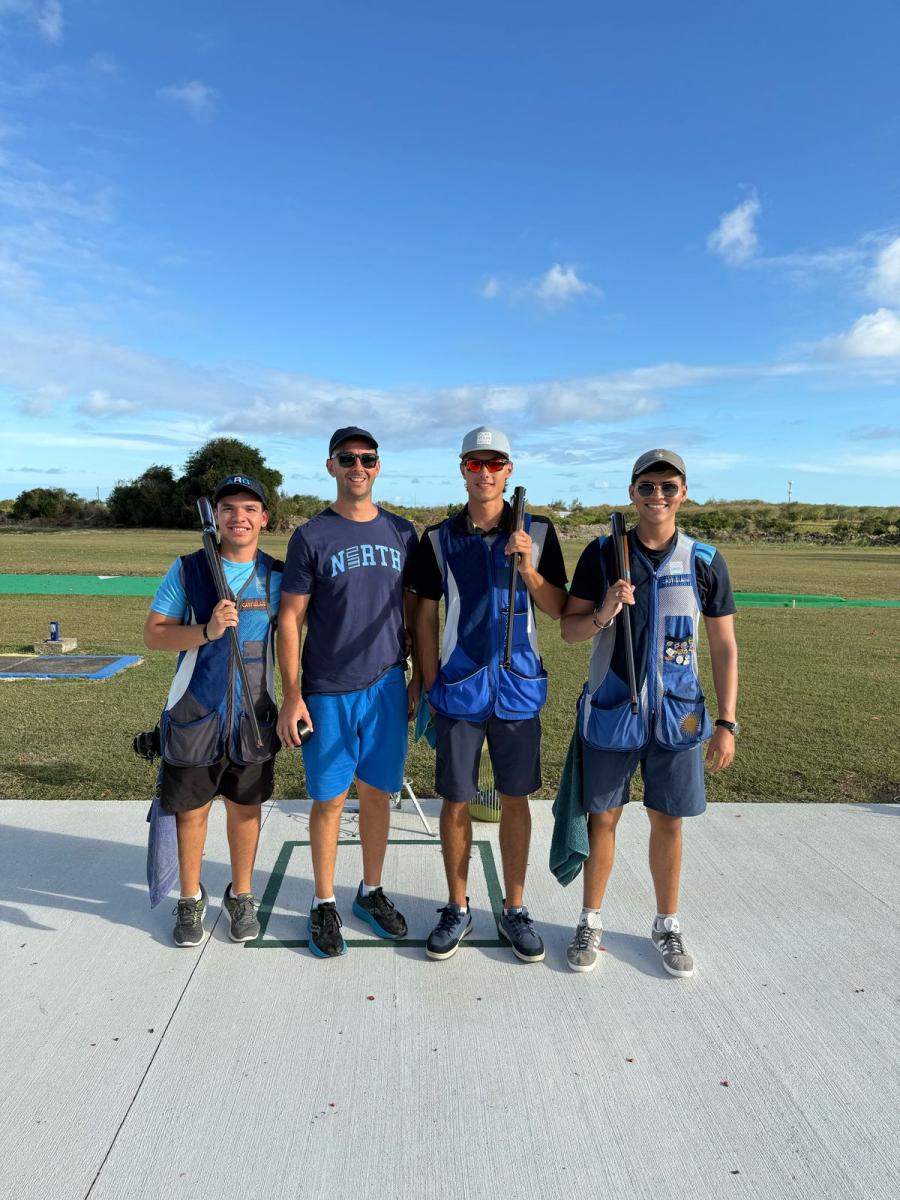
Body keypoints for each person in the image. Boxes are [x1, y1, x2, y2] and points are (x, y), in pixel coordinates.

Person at [559, 449, 739, 977]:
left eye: (668, 486)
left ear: (683, 493)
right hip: (613, 711)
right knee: (603, 819)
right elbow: (570, 630)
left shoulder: (704, 560)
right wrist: (605, 610)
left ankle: (666, 923)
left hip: (679, 717)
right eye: (647, 487)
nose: (657, 496)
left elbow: (724, 646)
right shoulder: (602, 553)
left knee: (668, 821)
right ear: (632, 493)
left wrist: (726, 722)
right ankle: (590, 920)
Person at [412, 426, 568, 962]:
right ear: (462, 469)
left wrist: (529, 569)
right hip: (459, 688)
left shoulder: (539, 531)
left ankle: (515, 907)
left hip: (518, 688)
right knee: (456, 798)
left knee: (515, 798)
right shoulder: (437, 538)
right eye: (475, 464)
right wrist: (430, 680)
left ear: (509, 470)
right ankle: (457, 907)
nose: (485, 473)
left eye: (494, 464)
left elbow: (557, 609)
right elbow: (424, 615)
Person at [276, 427, 419, 958]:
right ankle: (323, 901)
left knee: (377, 794)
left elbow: (415, 611)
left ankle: (370, 891)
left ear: (378, 466)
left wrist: (418, 678)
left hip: (386, 684)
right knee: (330, 799)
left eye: (367, 459)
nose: (358, 466)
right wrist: (292, 694)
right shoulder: (311, 536)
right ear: (331, 465)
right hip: (328, 689)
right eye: (348, 458)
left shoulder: (402, 532)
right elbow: (289, 619)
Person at [144, 474, 282, 947]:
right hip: (195, 714)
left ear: (264, 518)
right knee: (191, 812)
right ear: (216, 516)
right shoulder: (189, 569)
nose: (238, 517)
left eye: (249, 508)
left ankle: (241, 895)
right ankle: (190, 898)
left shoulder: (277, 575)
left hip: (253, 717)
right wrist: (206, 630)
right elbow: (155, 634)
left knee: (245, 810)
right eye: (228, 508)